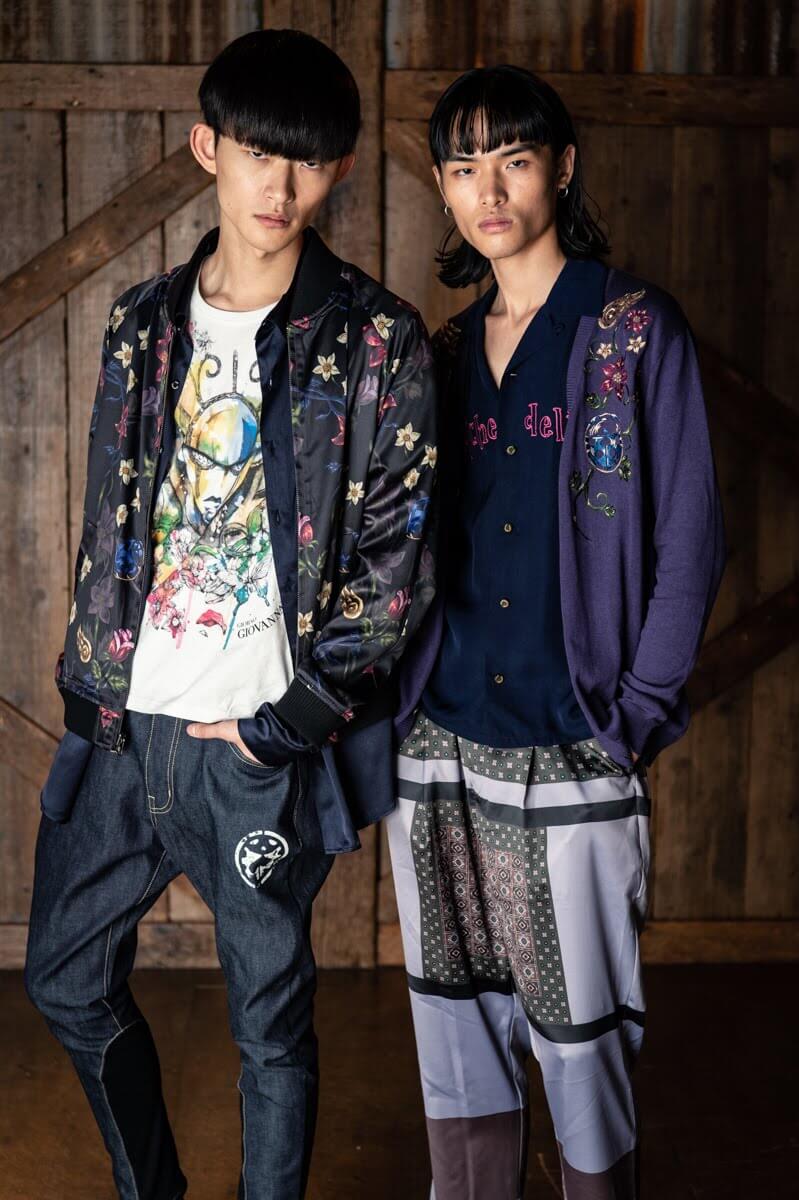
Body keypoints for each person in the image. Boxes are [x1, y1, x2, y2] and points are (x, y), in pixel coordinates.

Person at [24, 28, 437, 1200]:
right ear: (208, 147)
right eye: (258, 152)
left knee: (269, 1025)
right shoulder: (140, 323)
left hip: (254, 746)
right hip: (123, 729)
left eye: (306, 160)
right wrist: (90, 684)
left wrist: (291, 721)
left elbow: (398, 558)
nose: (279, 186)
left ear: (339, 168)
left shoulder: (375, 339)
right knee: (64, 978)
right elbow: (110, 518)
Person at [390, 65, 726, 1199]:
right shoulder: (440, 355)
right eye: (462, 167)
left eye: (514, 159)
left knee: (581, 1043)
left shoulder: (629, 332)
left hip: (575, 739)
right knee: (453, 1031)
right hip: (438, 742)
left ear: (563, 168)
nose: (488, 191)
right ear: (442, 187)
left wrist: (630, 716)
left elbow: (690, 539)